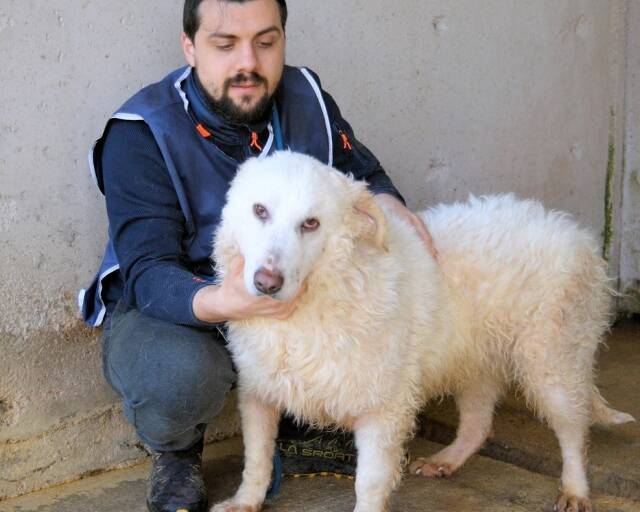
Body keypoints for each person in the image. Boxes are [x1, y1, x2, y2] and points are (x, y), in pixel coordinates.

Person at [79, 0, 436, 510]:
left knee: (357, 290)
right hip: (176, 306)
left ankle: (303, 419)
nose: (248, 62)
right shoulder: (141, 131)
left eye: (266, 43)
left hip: (279, 288)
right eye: (225, 45)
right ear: (190, 47)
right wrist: (226, 302)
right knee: (181, 375)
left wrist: (388, 205)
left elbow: (361, 173)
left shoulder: (306, 96)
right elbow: (147, 274)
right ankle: (176, 450)